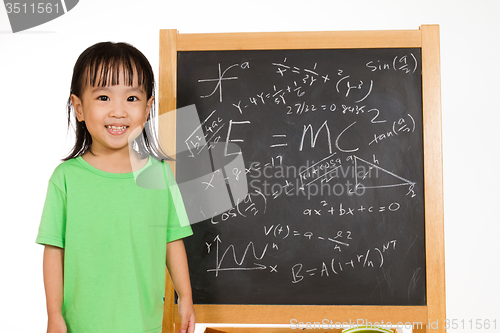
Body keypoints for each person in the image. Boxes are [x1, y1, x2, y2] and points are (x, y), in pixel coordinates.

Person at [35, 42, 196, 333]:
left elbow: (173, 242)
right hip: (81, 325)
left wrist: (185, 298)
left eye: (132, 97)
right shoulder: (66, 178)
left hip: (144, 324)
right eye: (104, 97)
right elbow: (53, 250)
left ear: (148, 108)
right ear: (79, 107)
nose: (119, 111)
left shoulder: (159, 175)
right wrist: (54, 314)